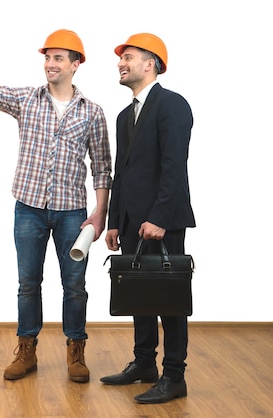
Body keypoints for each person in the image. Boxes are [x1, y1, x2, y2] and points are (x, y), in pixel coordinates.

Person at [0, 30, 112, 383]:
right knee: (28, 283)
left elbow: (103, 167)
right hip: (28, 208)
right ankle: (26, 350)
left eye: (58, 58)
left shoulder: (92, 113)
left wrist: (99, 213)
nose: (50, 64)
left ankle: (76, 351)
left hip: (72, 212)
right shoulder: (28, 99)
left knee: (74, 285)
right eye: (47, 57)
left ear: (76, 65)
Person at [100, 33, 195, 404]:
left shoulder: (172, 105)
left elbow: (174, 168)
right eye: (120, 59)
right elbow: (121, 173)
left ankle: (174, 376)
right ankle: (144, 364)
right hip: (131, 221)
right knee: (139, 294)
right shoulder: (126, 115)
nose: (122, 63)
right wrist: (113, 221)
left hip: (163, 220)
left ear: (150, 63)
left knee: (169, 297)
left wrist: (159, 217)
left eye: (129, 57)